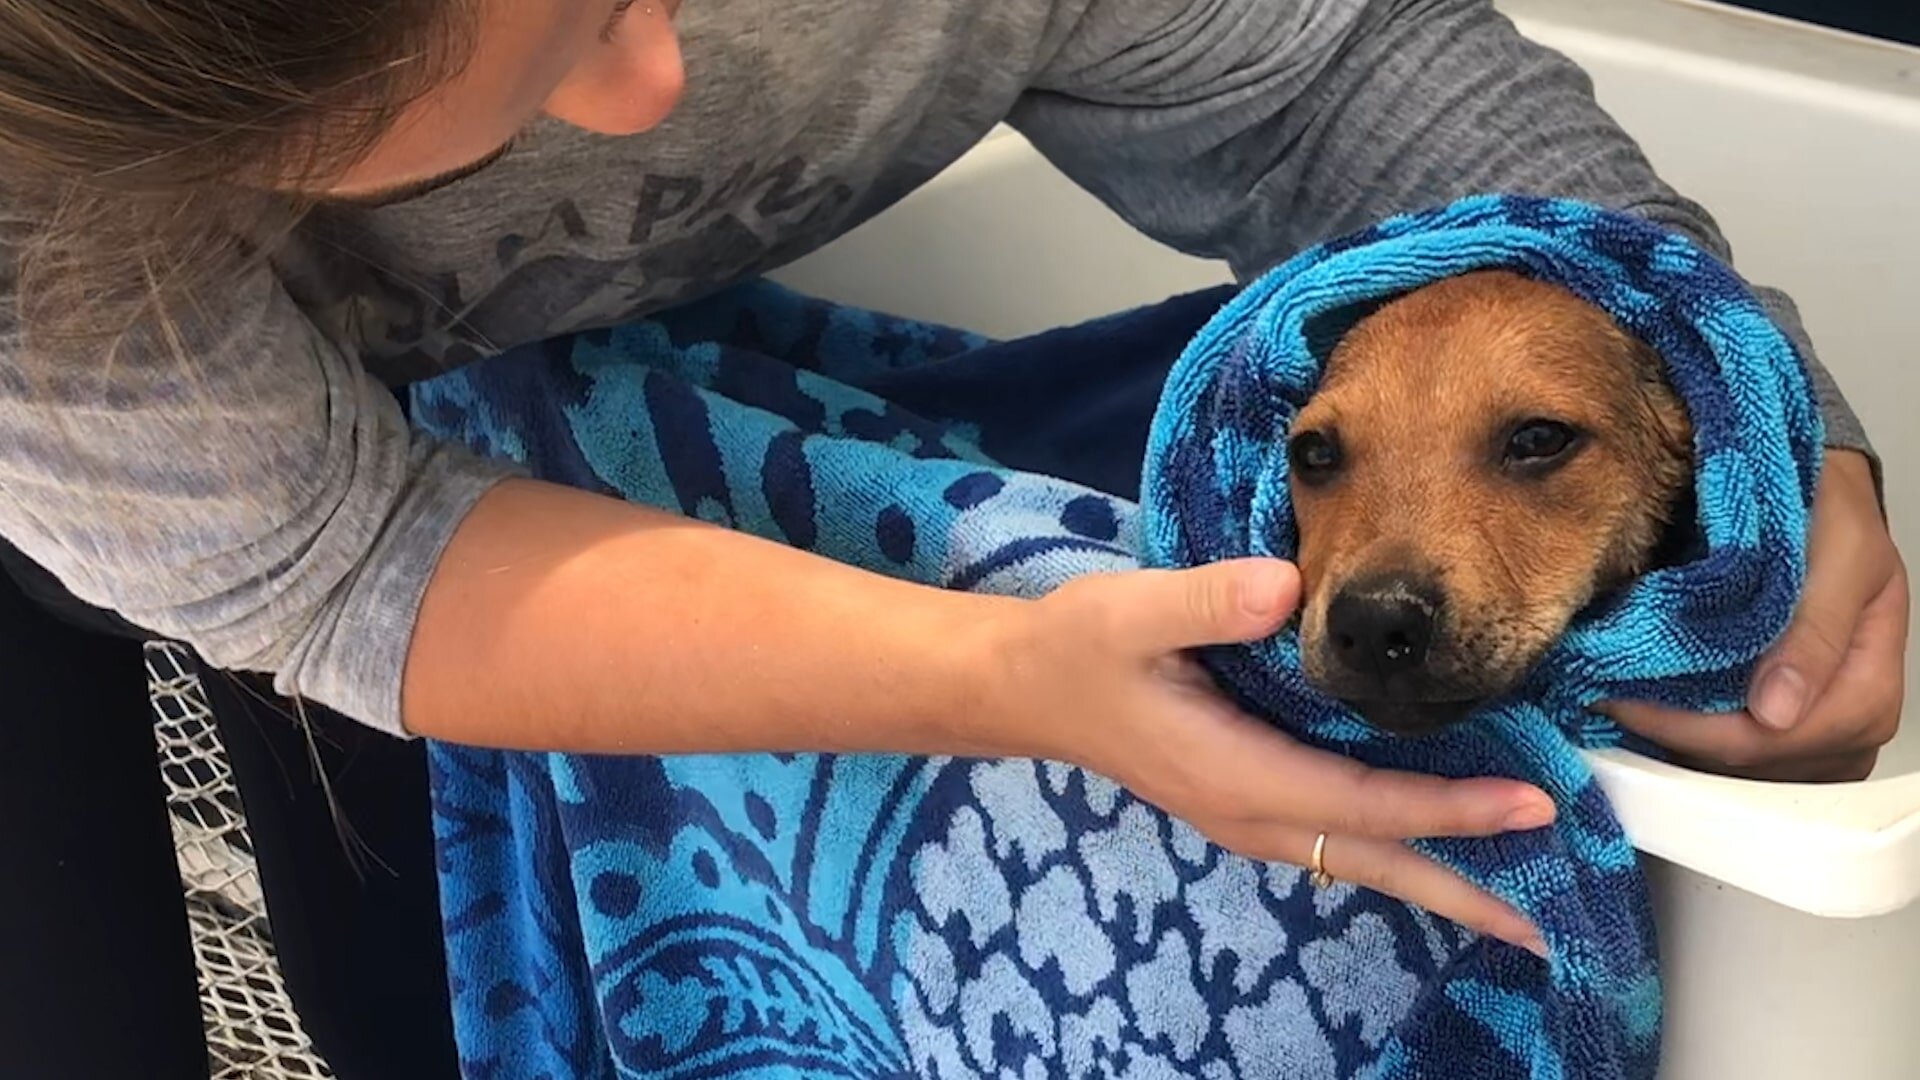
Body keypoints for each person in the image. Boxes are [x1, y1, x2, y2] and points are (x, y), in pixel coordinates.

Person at [0, 0, 1904, 1074]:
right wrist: (997, 675)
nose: (663, 80)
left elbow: (1323, 71)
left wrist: (1772, 427)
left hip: (611, 376)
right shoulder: (45, 236)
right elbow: (343, 561)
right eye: (555, 53)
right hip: (205, 493)